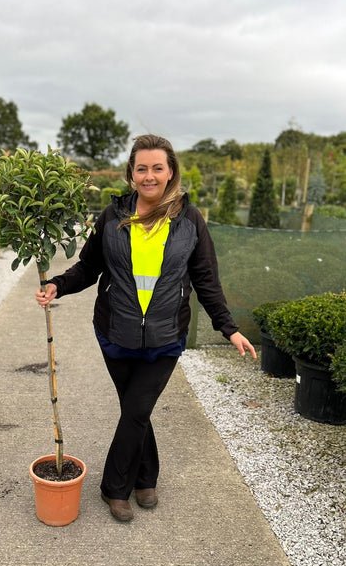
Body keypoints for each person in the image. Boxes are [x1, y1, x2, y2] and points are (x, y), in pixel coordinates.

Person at [35, 134, 256, 522]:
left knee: (136, 409)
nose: (149, 176)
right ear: (131, 174)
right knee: (135, 409)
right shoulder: (113, 216)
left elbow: (206, 279)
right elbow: (88, 266)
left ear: (171, 172)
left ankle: (114, 488)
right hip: (115, 332)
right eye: (142, 168)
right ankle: (146, 479)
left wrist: (229, 328)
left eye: (157, 168)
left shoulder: (189, 220)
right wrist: (57, 285)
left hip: (165, 337)